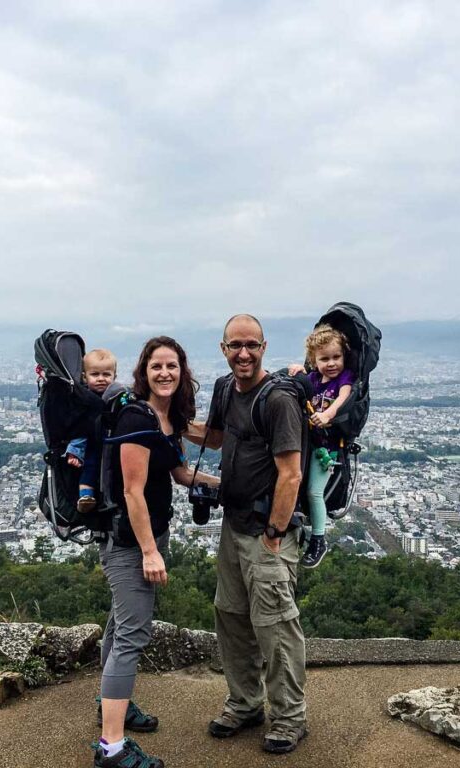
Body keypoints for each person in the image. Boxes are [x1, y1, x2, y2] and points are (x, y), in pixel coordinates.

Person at [186, 314, 308, 755]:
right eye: (235, 345)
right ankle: (245, 703)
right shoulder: (224, 389)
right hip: (232, 524)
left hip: (266, 533)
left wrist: (275, 532)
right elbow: (215, 438)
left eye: (251, 345)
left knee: (275, 627)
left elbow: (290, 475)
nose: (243, 353)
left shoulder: (277, 401)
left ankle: (290, 717)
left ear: (264, 347)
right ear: (223, 348)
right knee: (232, 617)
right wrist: (164, 418)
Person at [93, 336, 217, 768]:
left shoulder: (165, 417)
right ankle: (111, 748)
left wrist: (229, 486)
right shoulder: (135, 417)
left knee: (118, 625)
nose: (165, 373)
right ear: (143, 372)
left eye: (172, 366)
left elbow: (180, 472)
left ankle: (114, 707)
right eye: (156, 366)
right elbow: (132, 490)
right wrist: (149, 551)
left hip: (148, 536)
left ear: (182, 371)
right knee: (132, 635)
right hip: (129, 542)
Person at [288, 324, 355, 568]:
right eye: (324, 358)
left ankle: (319, 539)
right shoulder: (314, 379)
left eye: (336, 357)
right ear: (314, 361)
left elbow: (343, 398)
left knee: (314, 491)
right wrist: (298, 371)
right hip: (308, 445)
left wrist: (328, 415)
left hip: (326, 450)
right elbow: (303, 383)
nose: (331, 363)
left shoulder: (345, 378)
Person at [65, 348, 119, 514]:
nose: (101, 379)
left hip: (110, 441)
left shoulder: (117, 396)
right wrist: (75, 452)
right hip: (91, 442)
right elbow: (77, 429)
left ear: (114, 377)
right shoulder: (83, 399)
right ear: (84, 376)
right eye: (95, 374)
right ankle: (85, 495)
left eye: (106, 375)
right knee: (90, 465)